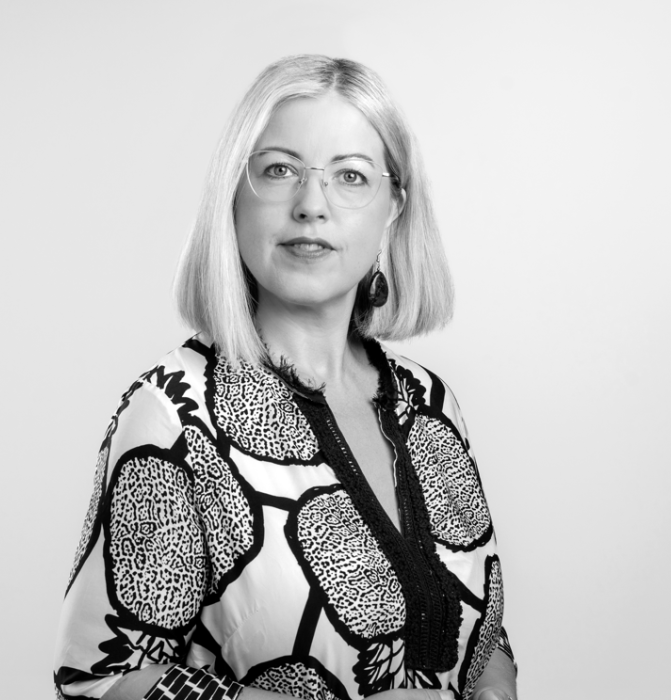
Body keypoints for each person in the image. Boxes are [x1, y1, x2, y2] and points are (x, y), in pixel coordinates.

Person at [54, 55, 518, 700]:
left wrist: (495, 683)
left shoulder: (430, 402)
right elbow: (99, 682)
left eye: (350, 176)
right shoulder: (172, 414)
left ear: (393, 207)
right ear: (234, 192)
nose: (311, 206)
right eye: (279, 169)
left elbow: (479, 633)